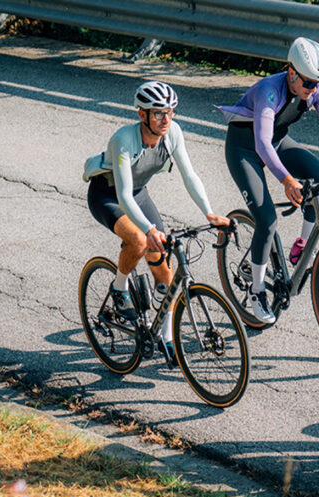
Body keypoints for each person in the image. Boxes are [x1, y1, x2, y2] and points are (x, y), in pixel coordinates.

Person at [217, 37, 319, 324]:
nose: (313, 90)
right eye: (309, 83)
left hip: (278, 141)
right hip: (244, 149)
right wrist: (286, 180)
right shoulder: (269, 90)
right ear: (291, 73)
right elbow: (262, 143)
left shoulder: (317, 89)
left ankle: (300, 246)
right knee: (267, 220)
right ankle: (258, 290)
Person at [83, 81, 229, 347]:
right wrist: (149, 230)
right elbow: (124, 194)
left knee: (165, 270)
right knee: (139, 241)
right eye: (159, 112)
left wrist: (209, 213)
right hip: (107, 195)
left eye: (170, 111)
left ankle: (166, 337)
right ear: (142, 115)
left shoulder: (173, 133)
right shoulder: (123, 139)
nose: (166, 118)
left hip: (138, 194)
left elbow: (189, 175)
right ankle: (119, 286)